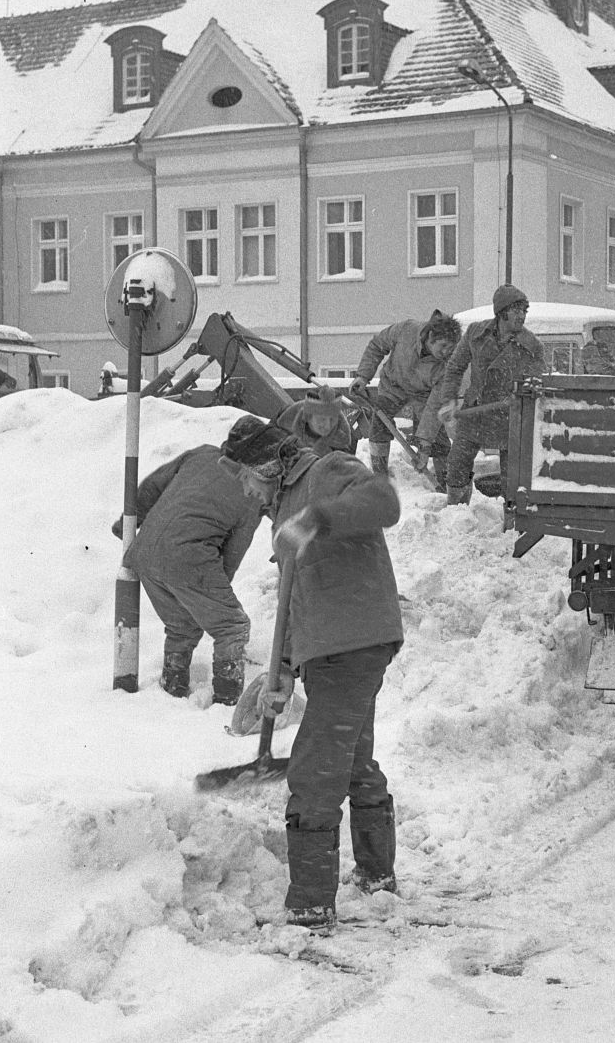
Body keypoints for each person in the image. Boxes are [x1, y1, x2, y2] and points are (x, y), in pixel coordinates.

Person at [220, 387, 403, 935]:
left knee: (316, 768)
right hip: (330, 647)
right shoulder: (283, 505)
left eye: (245, 478)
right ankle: (376, 875)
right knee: (349, 758)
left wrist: (319, 518)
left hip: (355, 642)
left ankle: (309, 906)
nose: (246, 492)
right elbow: (296, 595)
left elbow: (385, 503)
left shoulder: (326, 473)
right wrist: (282, 665)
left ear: (268, 463)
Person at [113, 420, 266, 705]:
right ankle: (226, 701)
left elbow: (153, 485)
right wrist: (215, 592)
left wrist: (128, 521)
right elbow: (234, 552)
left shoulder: (200, 454)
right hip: (188, 558)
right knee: (232, 627)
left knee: (182, 626)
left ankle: (172, 691)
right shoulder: (251, 490)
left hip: (143, 552)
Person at [435, 283, 544, 505]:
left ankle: (512, 523)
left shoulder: (532, 346)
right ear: (502, 313)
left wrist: (521, 395)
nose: (522, 316)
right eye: (516, 310)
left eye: (524, 311)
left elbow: (538, 385)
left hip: (511, 419)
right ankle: (456, 511)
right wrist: (448, 400)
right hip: (476, 413)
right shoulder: (475, 334)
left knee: (513, 479)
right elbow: (455, 367)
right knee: (456, 466)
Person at [348, 310, 462, 487]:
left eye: (451, 348)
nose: (447, 352)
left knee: (437, 438)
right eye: (444, 345)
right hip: (393, 386)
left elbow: (433, 409)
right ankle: (379, 477)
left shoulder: (446, 367)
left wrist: (424, 447)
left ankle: (446, 483)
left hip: (423, 395)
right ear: (431, 336)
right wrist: (363, 376)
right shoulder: (406, 330)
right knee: (379, 422)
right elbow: (377, 345)